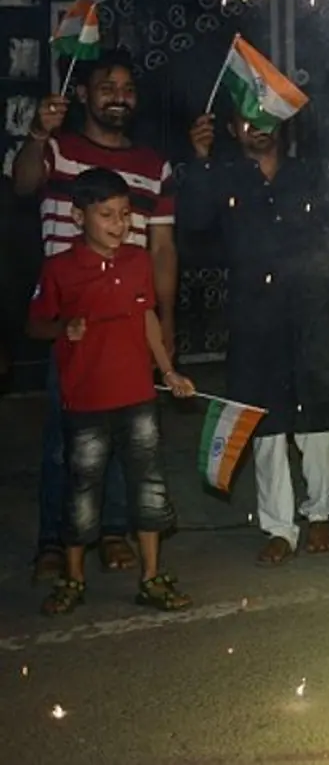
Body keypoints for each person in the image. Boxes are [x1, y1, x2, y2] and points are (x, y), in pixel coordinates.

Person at [12, 48, 179, 582]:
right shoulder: (60, 148)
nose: (118, 96)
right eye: (107, 85)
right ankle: (54, 543)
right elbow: (20, 185)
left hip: (131, 321)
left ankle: (110, 533)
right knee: (69, 441)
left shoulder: (154, 166)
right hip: (74, 325)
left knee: (125, 434)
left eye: (128, 88)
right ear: (83, 93)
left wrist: (167, 321)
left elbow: (161, 250)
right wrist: (39, 134)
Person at [182, 108, 329, 566]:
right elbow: (193, 222)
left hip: (311, 315)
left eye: (266, 117)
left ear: (282, 125)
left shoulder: (309, 176)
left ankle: (319, 514)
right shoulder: (224, 177)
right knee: (265, 422)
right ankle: (279, 526)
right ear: (233, 129)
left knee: (322, 417)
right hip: (254, 320)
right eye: (247, 120)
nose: (257, 127)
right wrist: (199, 158)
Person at [27, 168, 196, 616]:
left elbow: (147, 320)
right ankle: (73, 577)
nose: (119, 224)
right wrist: (65, 328)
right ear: (78, 215)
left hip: (137, 395)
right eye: (107, 215)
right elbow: (35, 323)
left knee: (148, 486)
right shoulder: (60, 268)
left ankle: (151, 576)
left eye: (124, 214)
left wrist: (168, 371)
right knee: (82, 490)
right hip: (85, 400)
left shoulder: (137, 261)